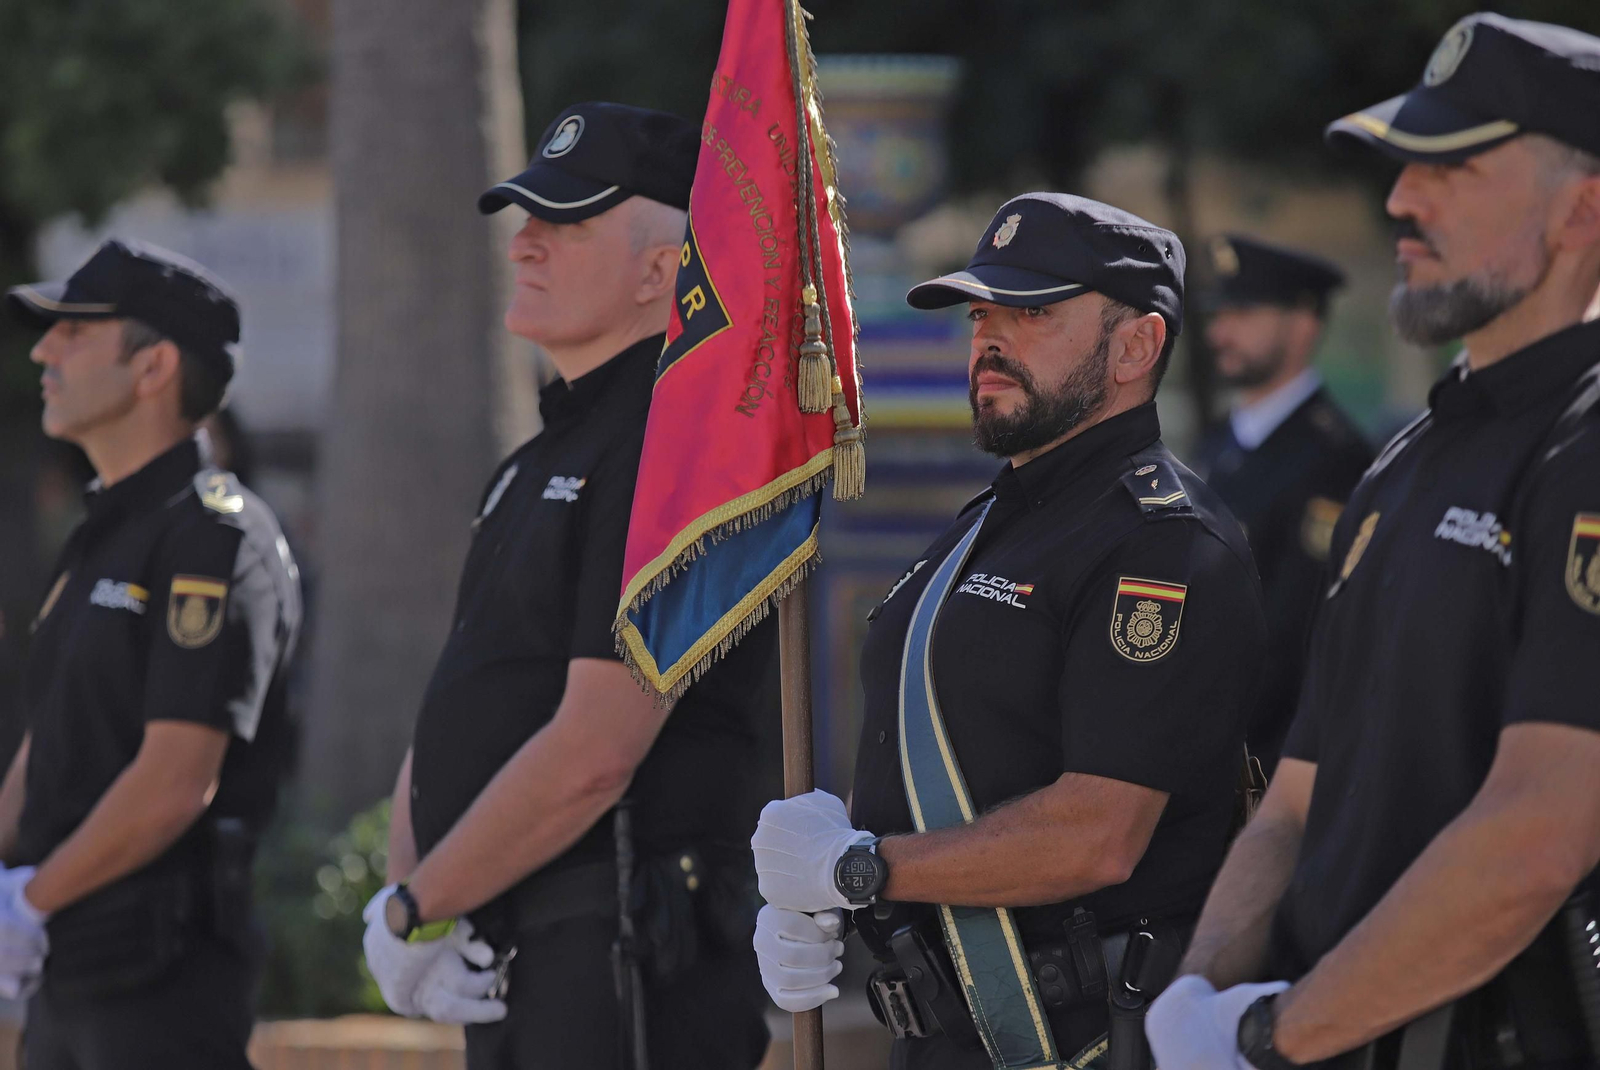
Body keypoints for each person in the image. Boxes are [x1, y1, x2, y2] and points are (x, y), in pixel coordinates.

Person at [1147, 14, 1600, 1070]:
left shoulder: (1582, 448)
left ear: (1583, 205)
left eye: (1454, 167)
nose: (1401, 197)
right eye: (1404, 167)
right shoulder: (1402, 461)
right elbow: (1299, 796)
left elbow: (1539, 832)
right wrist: (1194, 998)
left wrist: (1264, 1034)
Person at [751, 193, 1268, 1069]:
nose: (989, 337)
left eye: (1031, 313)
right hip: (948, 1032)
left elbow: (1098, 833)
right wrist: (821, 885)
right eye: (983, 313)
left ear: (1135, 346)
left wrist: (861, 871)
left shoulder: (1161, 538)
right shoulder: (989, 521)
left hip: (1080, 1036)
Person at [362, 101, 779, 1070]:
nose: (526, 245)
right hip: (522, 940)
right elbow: (457, 700)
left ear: (662, 270)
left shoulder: (674, 451)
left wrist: (420, 904)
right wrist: (411, 897)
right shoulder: (540, 456)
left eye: (569, 220)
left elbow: (596, 748)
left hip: (622, 947)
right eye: (528, 218)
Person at [0, 239, 302, 1069]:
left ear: (153, 366)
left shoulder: (212, 536)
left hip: (157, 978)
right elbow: (52, 735)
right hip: (70, 969)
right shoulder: (105, 534)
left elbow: (177, 778)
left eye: (75, 333)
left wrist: (29, 901)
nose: (42, 351)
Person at [1188, 236, 1372, 775]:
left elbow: (1294, 633)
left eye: (1242, 313)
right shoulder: (1217, 441)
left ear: (1304, 322)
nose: (1220, 332)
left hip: (1268, 763)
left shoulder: (1335, 457)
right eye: (1217, 314)